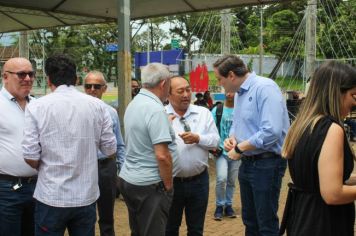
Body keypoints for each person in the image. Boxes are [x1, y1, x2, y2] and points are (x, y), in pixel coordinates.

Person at [22, 54, 117, 236]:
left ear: (48, 80)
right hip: (85, 196)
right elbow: (110, 149)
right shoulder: (98, 106)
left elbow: (30, 156)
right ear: (77, 79)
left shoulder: (36, 107)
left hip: (51, 196)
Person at [213, 55, 290, 236]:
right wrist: (232, 138)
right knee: (250, 220)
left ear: (231, 75)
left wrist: (240, 148)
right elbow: (237, 124)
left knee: (266, 222)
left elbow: (271, 131)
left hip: (267, 163)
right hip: (248, 162)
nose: (219, 83)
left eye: (219, 79)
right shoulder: (240, 93)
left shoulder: (265, 88)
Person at [280, 61, 356, 236]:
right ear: (336, 93)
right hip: (323, 223)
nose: (354, 102)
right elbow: (332, 194)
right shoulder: (332, 129)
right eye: (352, 95)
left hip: (302, 217)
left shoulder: (303, 125)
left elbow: (319, 177)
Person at [118, 63, 179, 236]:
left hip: (131, 179)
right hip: (150, 186)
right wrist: (168, 186)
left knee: (138, 230)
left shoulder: (136, 103)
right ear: (163, 84)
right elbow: (162, 156)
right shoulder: (155, 109)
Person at [165, 76, 220, 236]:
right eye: (180, 91)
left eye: (188, 89)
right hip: (170, 184)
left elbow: (216, 141)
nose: (186, 94)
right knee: (169, 228)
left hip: (199, 182)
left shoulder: (203, 113)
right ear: (168, 95)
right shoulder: (161, 115)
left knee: (196, 229)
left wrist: (198, 138)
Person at [84, 71, 126, 236]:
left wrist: (122, 170)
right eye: (88, 86)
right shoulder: (76, 111)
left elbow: (120, 144)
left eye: (97, 86)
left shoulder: (111, 112)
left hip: (106, 168)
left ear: (104, 89)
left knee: (107, 215)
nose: (92, 89)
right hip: (84, 167)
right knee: (85, 214)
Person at [0, 57, 37, 236]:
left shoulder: (38, 105)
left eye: (31, 74)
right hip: (6, 190)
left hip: (39, 188)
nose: (28, 78)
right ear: (5, 77)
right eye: (21, 74)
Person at [211, 92, 241, 221]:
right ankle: (219, 205)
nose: (230, 94)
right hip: (221, 152)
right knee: (221, 178)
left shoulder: (241, 111)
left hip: (236, 152)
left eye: (232, 92)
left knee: (232, 181)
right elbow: (210, 128)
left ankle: (228, 205)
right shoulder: (217, 110)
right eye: (227, 91)